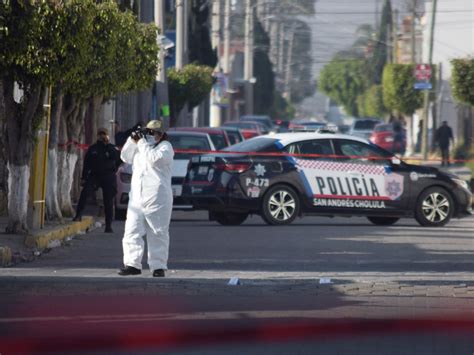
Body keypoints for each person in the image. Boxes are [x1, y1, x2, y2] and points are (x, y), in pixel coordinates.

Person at [118, 120, 174, 277]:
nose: (149, 135)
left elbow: (154, 159)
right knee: (132, 231)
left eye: (153, 132)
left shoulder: (165, 148)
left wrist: (141, 142)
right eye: (147, 132)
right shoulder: (141, 147)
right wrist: (132, 139)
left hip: (158, 199)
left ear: (161, 134)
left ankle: (158, 267)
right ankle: (132, 264)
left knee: (158, 233)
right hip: (137, 198)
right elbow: (125, 156)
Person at [73, 127, 119, 233]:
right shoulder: (93, 148)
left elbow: (117, 159)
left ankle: (108, 225)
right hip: (95, 176)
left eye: (104, 134)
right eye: (100, 134)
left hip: (108, 177)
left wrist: (107, 146)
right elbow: (87, 164)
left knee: (108, 201)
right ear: (97, 136)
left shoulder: (112, 148)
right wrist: (84, 177)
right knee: (85, 193)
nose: (102, 136)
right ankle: (78, 215)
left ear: (107, 136)